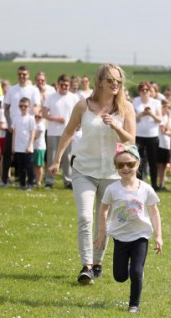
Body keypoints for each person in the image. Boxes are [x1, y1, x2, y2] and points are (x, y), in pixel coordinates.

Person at [48, 63, 136, 284]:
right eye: (111, 81)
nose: (115, 84)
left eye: (118, 81)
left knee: (104, 221)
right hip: (83, 170)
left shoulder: (126, 108)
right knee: (85, 217)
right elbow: (68, 132)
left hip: (112, 174)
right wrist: (57, 159)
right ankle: (86, 266)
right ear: (100, 82)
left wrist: (115, 126)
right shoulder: (83, 106)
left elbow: (131, 140)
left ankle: (98, 263)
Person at [95, 144, 163, 313]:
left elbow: (154, 212)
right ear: (116, 168)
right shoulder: (112, 189)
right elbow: (103, 209)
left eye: (130, 164)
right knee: (119, 276)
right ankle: (127, 269)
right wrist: (102, 233)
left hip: (140, 236)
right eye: (120, 165)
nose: (125, 168)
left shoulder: (146, 188)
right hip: (120, 237)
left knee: (137, 271)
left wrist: (158, 236)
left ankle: (134, 304)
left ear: (138, 164)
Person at [1, 66, 41, 187]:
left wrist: (34, 112)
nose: (22, 76)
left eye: (24, 74)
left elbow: (37, 106)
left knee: (27, 156)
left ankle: (27, 181)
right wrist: (9, 123)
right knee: (8, 154)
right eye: (20, 74)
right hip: (13, 127)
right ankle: (4, 180)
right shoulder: (12, 90)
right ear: (17, 75)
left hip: (27, 128)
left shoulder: (33, 90)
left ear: (28, 75)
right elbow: (6, 108)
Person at [42, 74, 77, 189]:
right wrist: (56, 118)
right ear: (58, 85)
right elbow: (44, 114)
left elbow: (79, 116)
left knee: (67, 157)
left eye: (66, 85)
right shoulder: (51, 97)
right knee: (52, 157)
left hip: (68, 133)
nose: (64, 87)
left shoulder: (73, 98)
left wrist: (76, 129)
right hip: (53, 132)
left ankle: (68, 180)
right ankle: (49, 180)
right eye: (62, 85)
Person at [133, 81, 162, 190]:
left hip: (152, 135)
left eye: (147, 90)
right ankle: (138, 183)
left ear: (150, 92)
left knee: (153, 161)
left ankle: (154, 184)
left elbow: (159, 119)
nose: (145, 92)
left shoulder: (156, 103)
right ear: (139, 91)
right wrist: (143, 113)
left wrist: (151, 114)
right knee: (138, 161)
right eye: (142, 90)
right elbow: (133, 117)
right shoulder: (135, 101)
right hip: (139, 135)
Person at [12, 97, 36, 190]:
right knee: (20, 167)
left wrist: (30, 145)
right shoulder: (16, 118)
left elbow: (32, 132)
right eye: (21, 106)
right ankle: (22, 184)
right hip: (18, 146)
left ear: (29, 107)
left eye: (25, 106)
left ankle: (30, 184)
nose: (23, 108)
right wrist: (13, 146)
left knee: (29, 166)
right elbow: (14, 132)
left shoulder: (31, 119)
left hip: (27, 146)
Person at [155, 99, 171, 191]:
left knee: (164, 165)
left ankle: (162, 183)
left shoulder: (169, 118)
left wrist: (169, 117)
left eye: (169, 107)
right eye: (165, 106)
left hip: (166, 144)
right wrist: (168, 131)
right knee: (159, 165)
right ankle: (157, 183)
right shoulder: (161, 117)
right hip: (160, 143)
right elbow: (164, 130)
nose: (167, 109)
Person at [32, 112, 46, 187]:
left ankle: (38, 181)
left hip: (39, 147)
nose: (37, 118)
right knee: (35, 165)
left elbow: (35, 136)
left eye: (39, 117)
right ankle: (35, 180)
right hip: (34, 147)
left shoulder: (41, 125)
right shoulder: (35, 124)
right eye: (36, 116)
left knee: (39, 165)